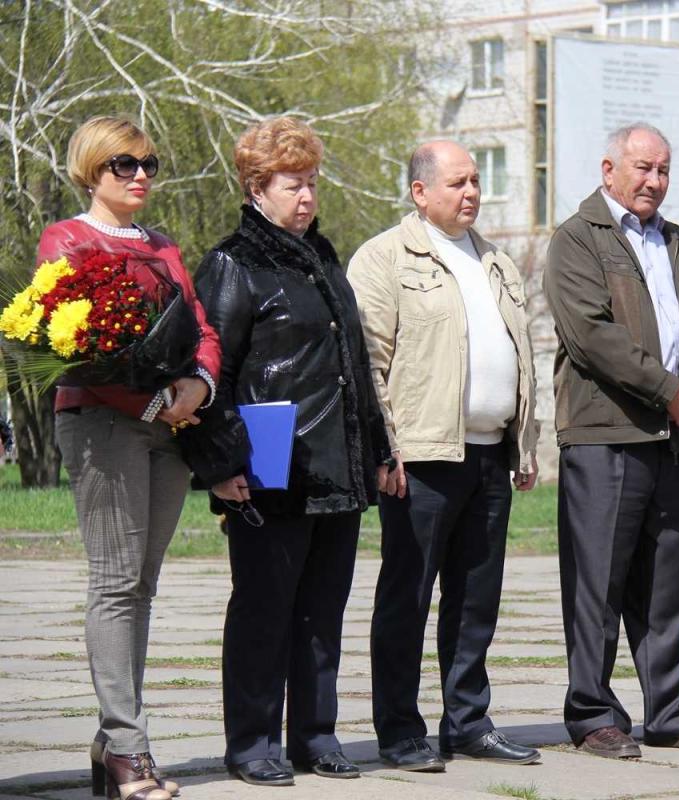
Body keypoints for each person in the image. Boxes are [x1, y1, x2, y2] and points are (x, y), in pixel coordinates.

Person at [192, 117, 393, 787]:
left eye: (312, 182)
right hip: (268, 465)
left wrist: (381, 446)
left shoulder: (325, 256)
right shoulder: (233, 262)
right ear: (256, 187)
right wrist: (219, 465)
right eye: (291, 184)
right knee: (263, 611)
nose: (306, 196)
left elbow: (351, 363)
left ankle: (315, 734)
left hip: (335, 463)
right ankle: (251, 742)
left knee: (321, 614)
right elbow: (208, 371)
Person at [42, 115, 221, 800]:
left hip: (170, 427)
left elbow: (199, 325)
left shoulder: (163, 243)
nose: (141, 174)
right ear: (93, 167)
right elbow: (70, 337)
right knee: (115, 584)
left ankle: (114, 740)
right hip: (105, 424)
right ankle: (127, 750)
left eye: (149, 163)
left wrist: (196, 384)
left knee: (142, 587)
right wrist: (149, 402)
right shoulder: (68, 238)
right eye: (125, 164)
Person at [347, 140, 540, 771]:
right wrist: (385, 449)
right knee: (408, 596)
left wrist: (526, 442)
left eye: (477, 181)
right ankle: (400, 730)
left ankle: (468, 721)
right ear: (420, 191)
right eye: (458, 182)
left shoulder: (496, 262)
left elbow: (521, 358)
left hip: (489, 455)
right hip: (421, 460)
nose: (472, 193)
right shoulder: (383, 259)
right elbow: (368, 362)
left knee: (476, 598)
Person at [543, 123, 679, 760]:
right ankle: (593, 712)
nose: (654, 181)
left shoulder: (677, 244)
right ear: (608, 169)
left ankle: (670, 711)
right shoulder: (577, 240)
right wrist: (666, 389)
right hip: (606, 435)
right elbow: (593, 338)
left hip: (671, 436)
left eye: (664, 170)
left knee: (667, 582)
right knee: (599, 581)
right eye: (643, 167)